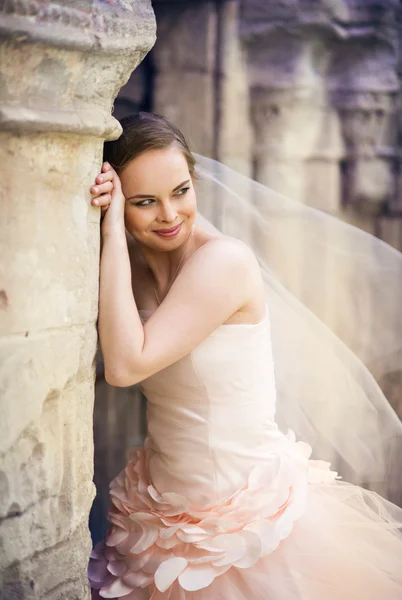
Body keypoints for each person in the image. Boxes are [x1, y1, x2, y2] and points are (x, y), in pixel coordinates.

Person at [88, 112, 402, 599]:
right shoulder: (129, 271)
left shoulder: (223, 262)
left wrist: (111, 231)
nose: (170, 215)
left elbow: (127, 365)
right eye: (143, 202)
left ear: (196, 180)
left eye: (181, 191)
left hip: (248, 523)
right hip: (161, 517)